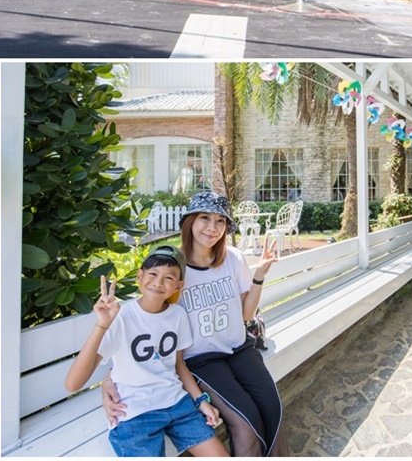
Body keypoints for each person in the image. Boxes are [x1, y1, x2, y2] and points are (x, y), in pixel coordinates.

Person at [104, 192, 287, 456]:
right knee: (246, 421)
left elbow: (246, 316)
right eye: (204, 218)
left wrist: (258, 276)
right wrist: (110, 378)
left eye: (220, 221)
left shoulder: (233, 258)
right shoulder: (173, 268)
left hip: (239, 349)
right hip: (200, 360)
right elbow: (143, 322)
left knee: (273, 409)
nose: (212, 228)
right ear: (190, 221)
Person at [65, 246, 229, 458]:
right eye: (152, 274)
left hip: (177, 404)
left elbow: (179, 365)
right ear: (140, 277)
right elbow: (73, 384)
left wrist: (200, 401)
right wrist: (102, 324)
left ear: (178, 286)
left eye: (169, 278)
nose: (158, 282)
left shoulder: (178, 315)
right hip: (134, 412)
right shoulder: (121, 316)